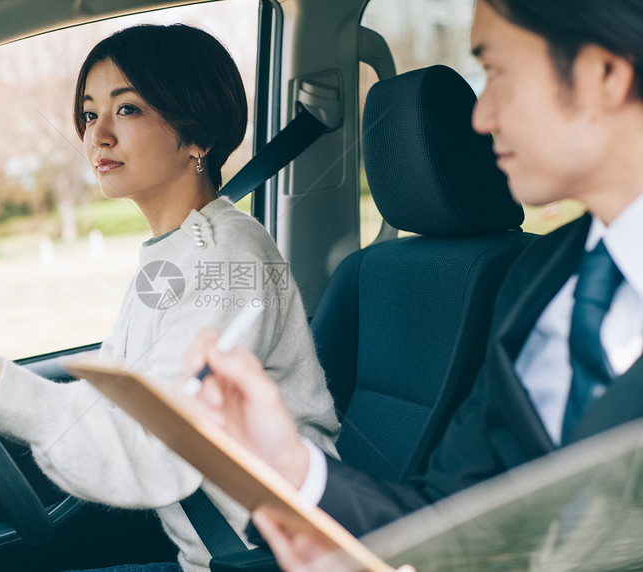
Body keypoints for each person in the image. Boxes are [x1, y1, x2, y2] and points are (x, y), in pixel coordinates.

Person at [183, 0, 643, 568]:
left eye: (498, 72)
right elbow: (454, 522)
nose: (481, 117)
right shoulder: (539, 280)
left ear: (606, 72)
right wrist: (292, 469)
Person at [0, 24, 339, 572]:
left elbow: (157, 444)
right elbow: (122, 393)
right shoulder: (179, 251)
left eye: (129, 110)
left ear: (197, 135)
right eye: (90, 115)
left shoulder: (231, 261)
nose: (99, 136)